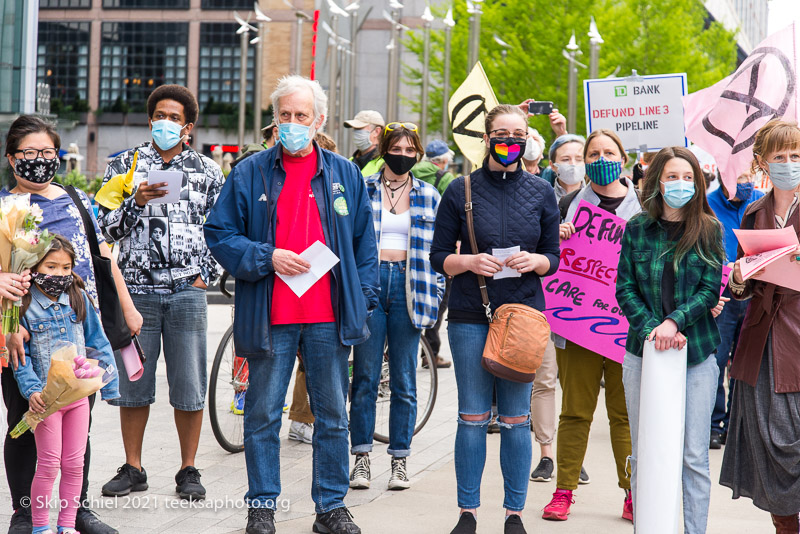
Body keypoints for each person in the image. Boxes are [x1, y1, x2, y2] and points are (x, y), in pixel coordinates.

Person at [204, 75, 379, 534]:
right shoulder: (249, 171)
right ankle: (262, 507)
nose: (294, 123)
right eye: (286, 116)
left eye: (302, 116)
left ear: (318, 120)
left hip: (329, 315)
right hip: (271, 315)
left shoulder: (345, 174)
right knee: (262, 414)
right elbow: (219, 234)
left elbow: (365, 245)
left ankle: (331, 508)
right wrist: (267, 256)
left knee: (332, 416)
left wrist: (365, 300)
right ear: (275, 120)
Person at [2, 114, 140, 534]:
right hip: (24, 335)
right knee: (26, 419)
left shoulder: (76, 200)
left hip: (80, 330)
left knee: (79, 421)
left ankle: (75, 510)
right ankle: (27, 512)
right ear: (12, 159)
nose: (39, 161)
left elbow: (103, 258)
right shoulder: (6, 209)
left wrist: (127, 308)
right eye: (29, 153)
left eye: (47, 152)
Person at [430, 104, 560, 534]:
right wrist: (468, 262)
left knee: (516, 419)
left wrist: (535, 260)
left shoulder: (542, 191)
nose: (509, 141)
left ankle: (514, 514)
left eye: (517, 134)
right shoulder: (459, 189)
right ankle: (467, 512)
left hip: (522, 316)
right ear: (486, 139)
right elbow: (437, 258)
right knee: (471, 415)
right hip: (471, 314)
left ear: (527, 139)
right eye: (501, 133)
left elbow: (554, 258)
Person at [97, 84, 224, 502]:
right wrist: (135, 201)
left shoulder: (208, 171)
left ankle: (188, 468)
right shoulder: (123, 165)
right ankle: (133, 467)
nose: (165, 123)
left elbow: (220, 230)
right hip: (136, 293)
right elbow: (106, 230)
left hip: (187, 290)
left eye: (175, 118)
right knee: (135, 382)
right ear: (149, 119)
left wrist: (205, 274)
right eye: (159, 116)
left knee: (189, 384)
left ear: (188, 126)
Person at [616, 146, 724, 534]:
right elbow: (624, 289)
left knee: (693, 455)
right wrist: (652, 328)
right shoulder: (636, 229)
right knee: (646, 451)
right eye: (672, 177)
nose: (681, 185)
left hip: (695, 355)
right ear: (657, 180)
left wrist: (675, 323)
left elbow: (710, 290)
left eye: (688, 178)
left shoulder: (709, 230)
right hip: (642, 354)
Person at [543, 129, 638, 522]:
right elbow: (546, 257)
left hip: (627, 330)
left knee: (625, 414)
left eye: (609, 152)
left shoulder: (647, 207)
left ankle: (633, 492)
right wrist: (555, 236)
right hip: (578, 326)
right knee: (576, 412)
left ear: (624, 157)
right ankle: (564, 490)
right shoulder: (566, 204)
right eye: (593, 153)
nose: (601, 159)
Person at [349, 122, 444, 491]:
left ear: (417, 154)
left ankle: (400, 460)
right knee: (365, 379)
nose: (402, 156)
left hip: (411, 286)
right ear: (385, 149)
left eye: (409, 151)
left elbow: (439, 251)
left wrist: (434, 292)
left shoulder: (429, 195)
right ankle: (360, 458)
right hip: (371, 286)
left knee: (405, 381)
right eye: (396, 149)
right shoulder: (363, 188)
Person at [720, 120, 800, 533]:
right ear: (763, 163)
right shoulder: (754, 212)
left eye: (796, 155)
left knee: (793, 442)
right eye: (780, 157)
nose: (789, 163)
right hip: (761, 342)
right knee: (770, 451)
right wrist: (737, 278)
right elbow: (743, 287)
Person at [13, 235, 120, 534]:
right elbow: (22, 357)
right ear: (34, 266)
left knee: (74, 464)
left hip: (79, 399)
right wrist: (32, 390)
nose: (59, 274)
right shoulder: (24, 305)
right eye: (51, 266)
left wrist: (109, 386)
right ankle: (40, 527)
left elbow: (99, 343)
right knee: (48, 465)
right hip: (48, 401)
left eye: (66, 267)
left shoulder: (79, 298)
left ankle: (67, 526)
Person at [706, 169, 763, 449]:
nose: (744, 182)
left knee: (743, 362)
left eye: (748, 175)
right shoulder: (707, 204)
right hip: (721, 295)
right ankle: (714, 424)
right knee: (716, 359)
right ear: (721, 171)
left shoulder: (761, 202)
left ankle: (735, 425)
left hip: (754, 293)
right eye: (737, 175)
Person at [411, 139, 456, 368]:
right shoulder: (445, 179)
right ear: (442, 161)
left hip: (410, 248)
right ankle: (431, 353)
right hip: (436, 249)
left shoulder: (409, 171)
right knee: (437, 303)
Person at [344, 110, 385, 176]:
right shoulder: (349, 162)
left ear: (377, 131)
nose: (356, 133)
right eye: (355, 129)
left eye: (360, 128)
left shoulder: (384, 163)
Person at [547, 134, 586, 202]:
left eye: (579, 159)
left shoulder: (598, 199)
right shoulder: (544, 201)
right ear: (552, 165)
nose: (573, 164)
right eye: (566, 159)